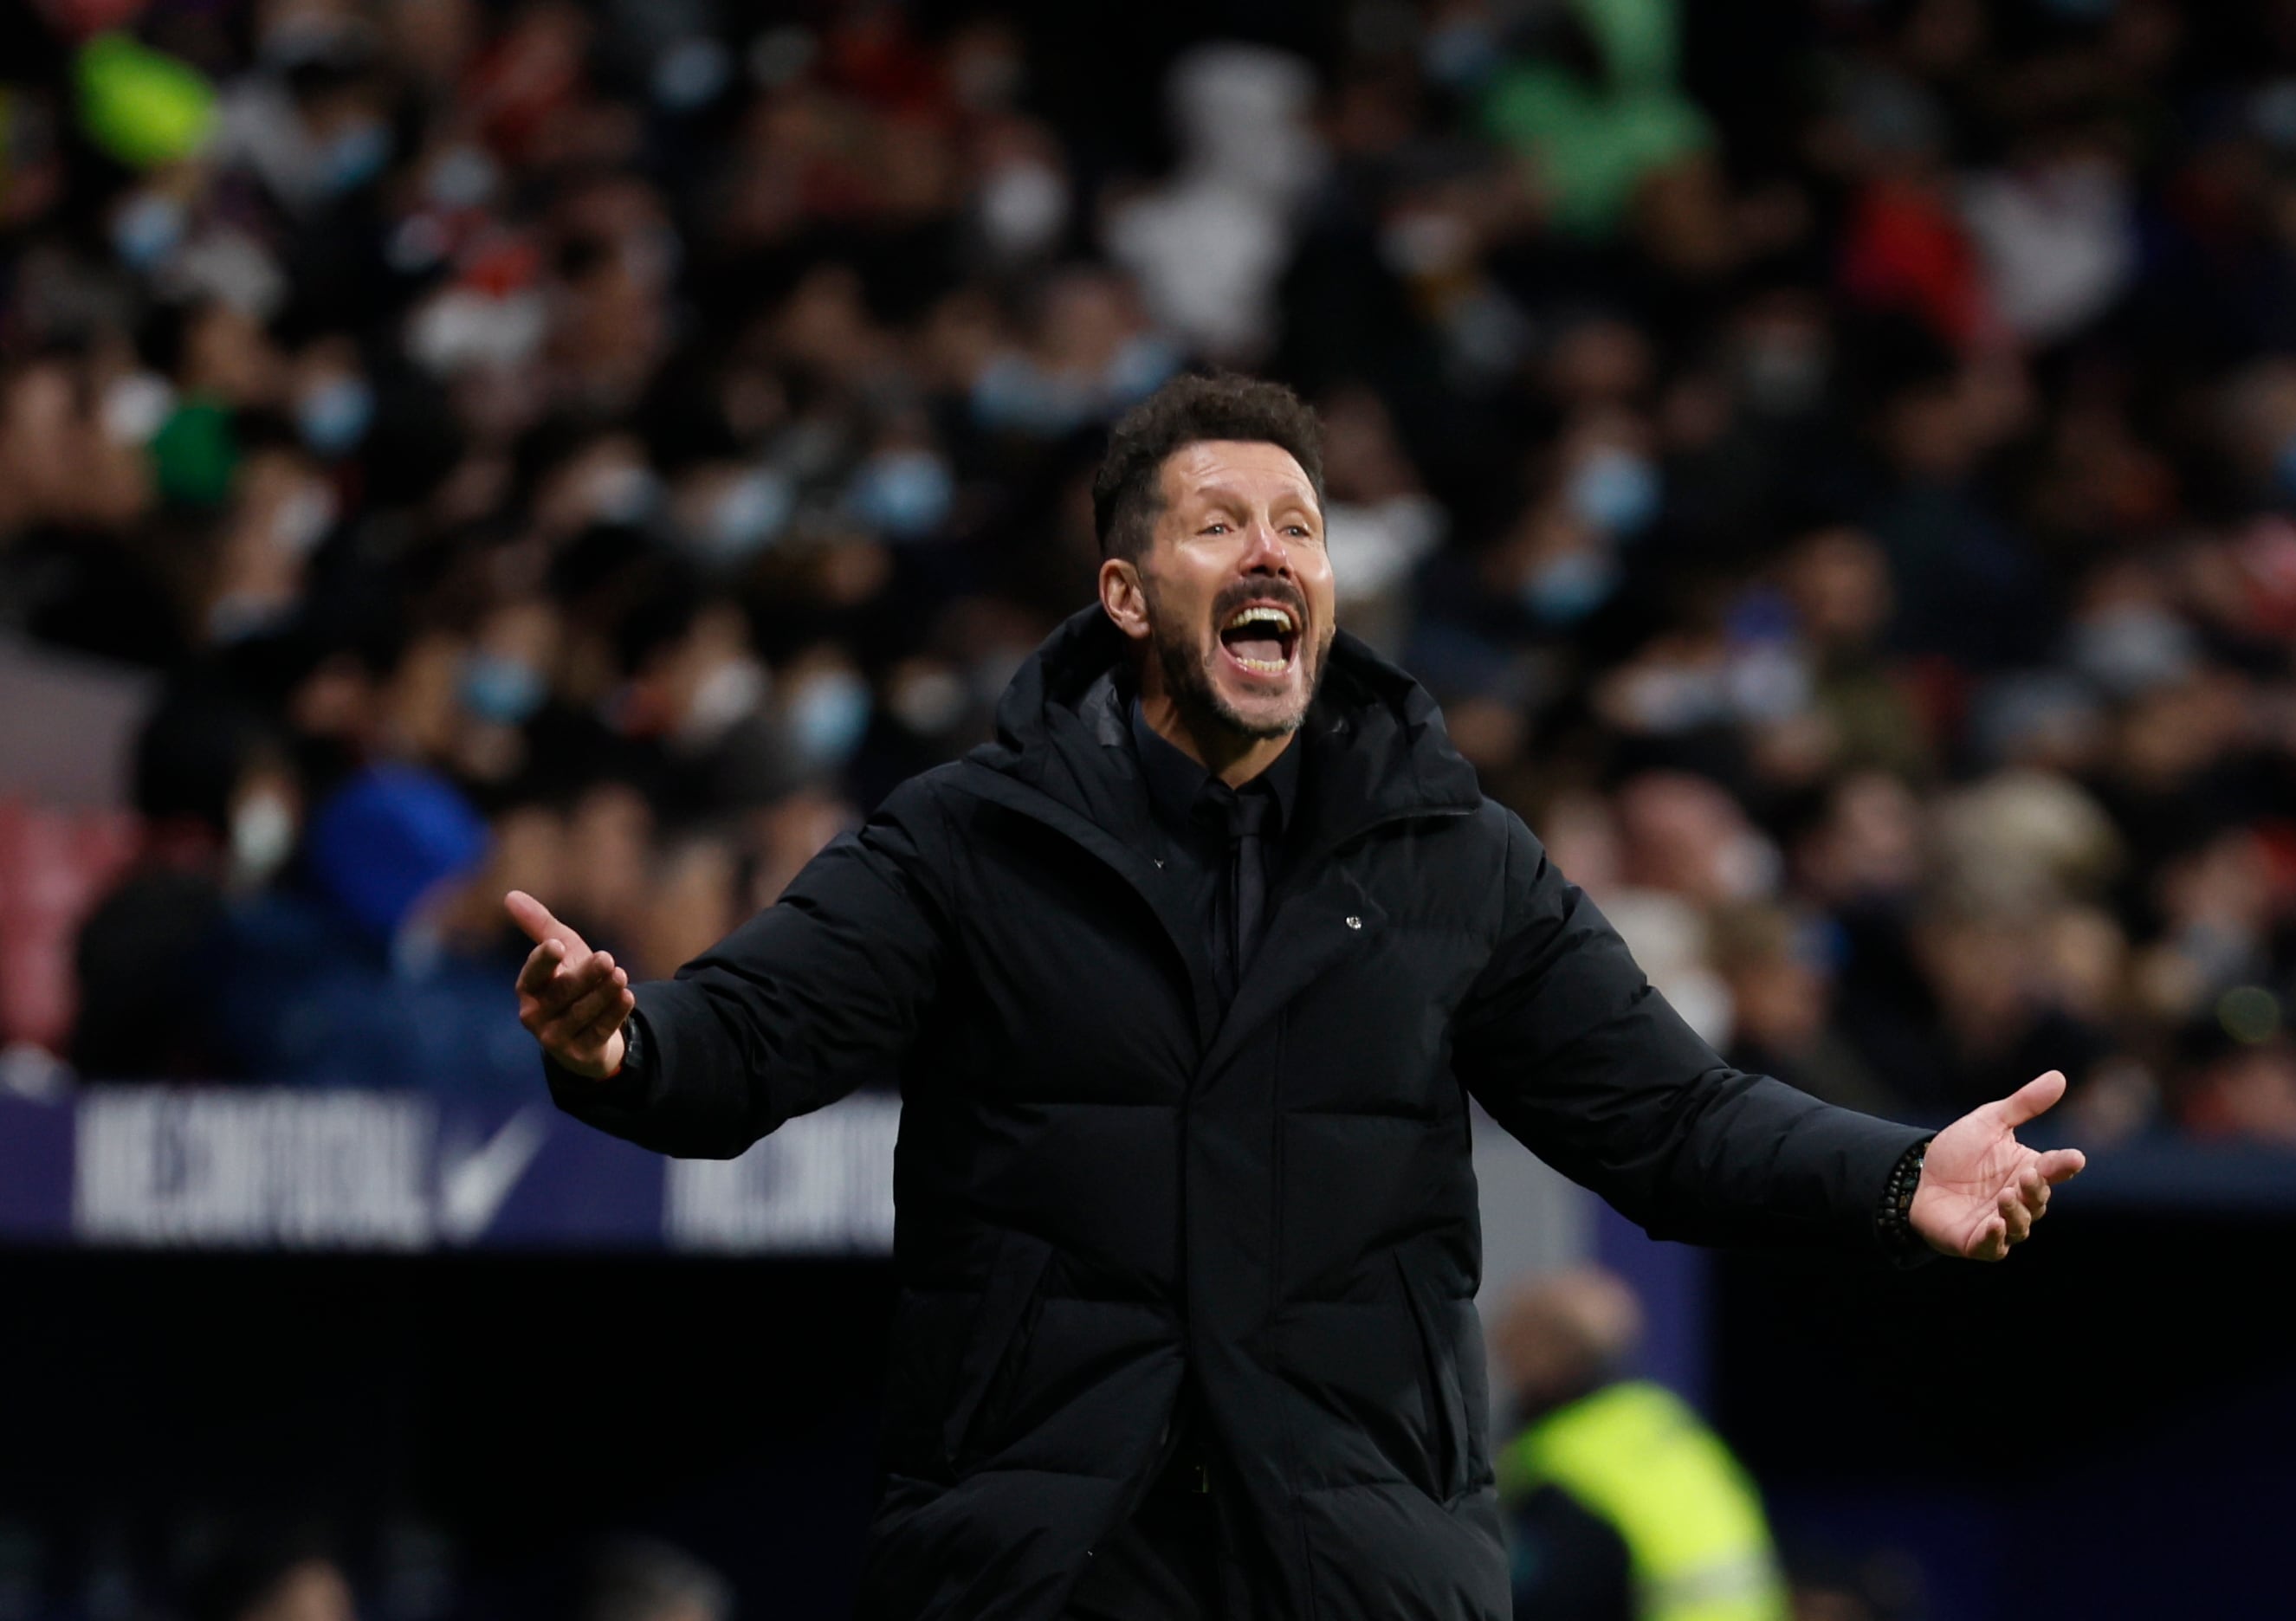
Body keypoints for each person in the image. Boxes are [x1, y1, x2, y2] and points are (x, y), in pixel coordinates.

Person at [509, 372, 2086, 1621]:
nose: (1273, 551)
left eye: (1301, 525)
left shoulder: (1454, 860)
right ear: (1127, 596)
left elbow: (1667, 1119)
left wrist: (1893, 1174)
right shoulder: (964, 840)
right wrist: (626, 1041)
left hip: (1356, 1565)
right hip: (1047, 1563)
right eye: (1220, 525)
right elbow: (751, 1040)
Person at [1493, 1269, 1782, 1621]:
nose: (1505, 1364)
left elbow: (1550, 1603)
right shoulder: (1663, 1420)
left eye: (1514, 1343)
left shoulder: (1563, 1464)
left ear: (1547, 1353)